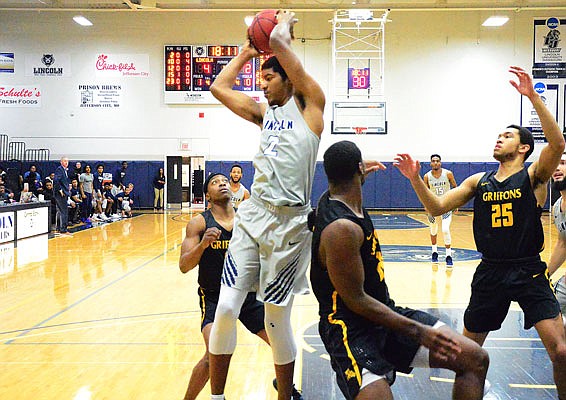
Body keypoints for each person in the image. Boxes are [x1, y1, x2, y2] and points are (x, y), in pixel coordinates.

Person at [394, 66, 566, 397]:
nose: (499, 138)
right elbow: (436, 207)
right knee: (467, 356)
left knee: (560, 351)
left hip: (528, 269)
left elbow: (557, 143)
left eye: (508, 135)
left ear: (523, 148)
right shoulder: (479, 181)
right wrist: (415, 178)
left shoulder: (534, 177)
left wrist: (532, 97)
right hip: (490, 271)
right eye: (498, 135)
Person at [208, 9, 325, 400]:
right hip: (253, 215)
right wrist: (245, 51)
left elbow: (277, 44)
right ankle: (219, 396)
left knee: (276, 320)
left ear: (289, 78)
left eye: (268, 77)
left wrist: (284, 26)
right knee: (226, 309)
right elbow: (218, 89)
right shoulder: (264, 113)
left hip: (290, 227)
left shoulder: (311, 107)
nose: (262, 85)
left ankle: (284, 394)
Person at [311, 141, 488, 400]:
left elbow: (342, 183)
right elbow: (356, 301)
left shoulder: (334, 200)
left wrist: (359, 173)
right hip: (348, 329)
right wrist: (419, 331)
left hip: (382, 314)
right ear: (359, 169)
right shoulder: (341, 229)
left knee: (474, 359)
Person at [180, 172, 304, 400]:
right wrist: (203, 245)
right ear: (208, 194)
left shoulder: (247, 220)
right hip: (215, 298)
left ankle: (286, 389)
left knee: (282, 344)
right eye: (215, 183)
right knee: (211, 355)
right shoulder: (199, 223)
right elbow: (184, 265)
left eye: (224, 181)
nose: (222, 184)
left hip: (247, 296)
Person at [423, 154, 457, 266]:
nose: (436, 163)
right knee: (433, 229)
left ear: (440, 162)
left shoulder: (448, 174)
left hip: (446, 204)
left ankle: (448, 255)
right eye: (433, 161)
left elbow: (455, 188)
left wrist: (456, 203)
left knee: (445, 229)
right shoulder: (427, 176)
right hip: (433, 205)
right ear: (430, 163)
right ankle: (434, 252)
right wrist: (425, 205)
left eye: (438, 161)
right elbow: (424, 192)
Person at [547, 152, 566, 319]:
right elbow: (563, 244)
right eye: (555, 163)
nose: (557, 168)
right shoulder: (556, 207)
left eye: (564, 163)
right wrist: (545, 275)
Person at [53, 157, 72, 237]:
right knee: (64, 211)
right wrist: (60, 189)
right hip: (60, 194)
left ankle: (58, 229)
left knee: (60, 211)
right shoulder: (59, 169)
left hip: (64, 192)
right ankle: (63, 230)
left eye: (67, 161)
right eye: (64, 161)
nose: (66, 162)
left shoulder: (64, 170)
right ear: (61, 162)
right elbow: (56, 180)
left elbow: (63, 180)